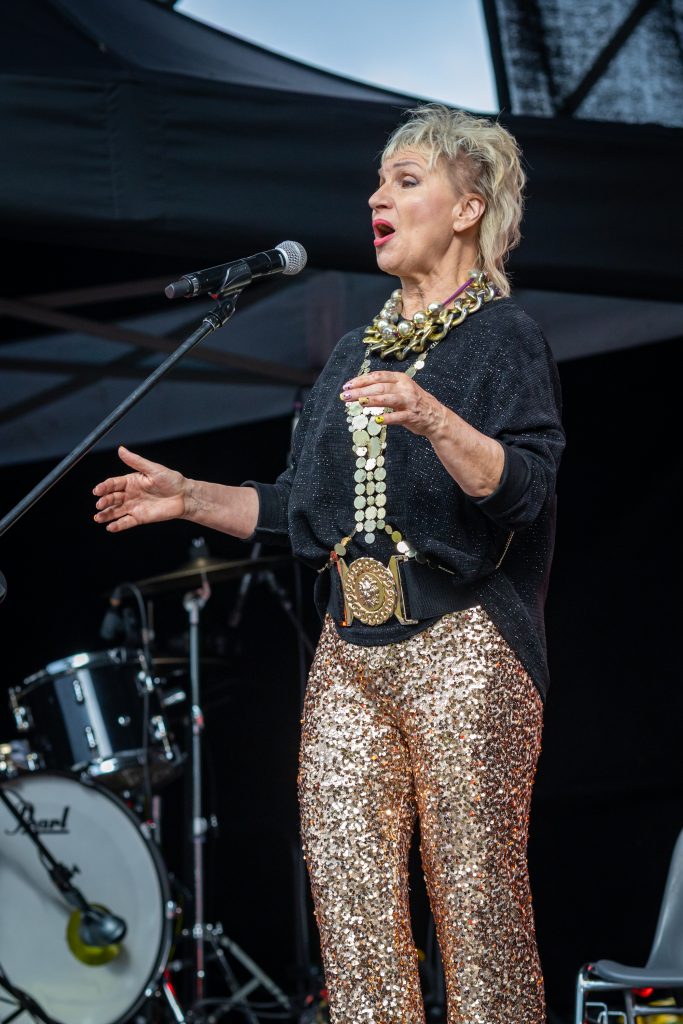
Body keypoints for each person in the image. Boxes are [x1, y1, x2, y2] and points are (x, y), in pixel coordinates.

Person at [94, 104, 564, 1024]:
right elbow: (297, 510)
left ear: (466, 209)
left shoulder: (503, 337)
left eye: (404, 181)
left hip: (465, 645)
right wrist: (190, 496)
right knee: (349, 911)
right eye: (376, 182)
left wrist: (432, 417)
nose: (375, 198)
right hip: (350, 650)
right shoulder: (354, 351)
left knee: (476, 907)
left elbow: (522, 490)